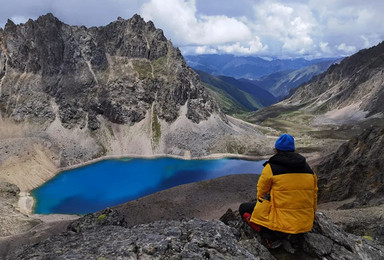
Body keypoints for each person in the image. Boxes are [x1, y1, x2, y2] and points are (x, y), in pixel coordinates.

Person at [239, 134, 318, 247]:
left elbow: (261, 193)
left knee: (243, 208)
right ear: (293, 149)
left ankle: (268, 234)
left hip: (282, 225)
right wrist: (313, 213)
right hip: (305, 224)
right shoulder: (308, 169)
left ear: (277, 150)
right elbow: (314, 195)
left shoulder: (271, 168)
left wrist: (262, 210)